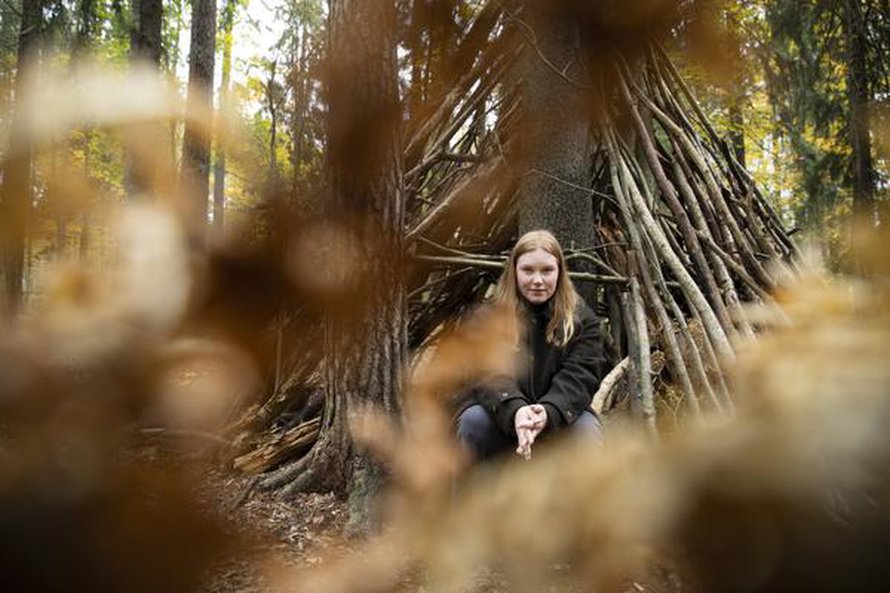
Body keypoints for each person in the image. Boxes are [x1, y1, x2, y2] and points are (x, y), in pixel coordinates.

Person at [456, 229, 604, 460]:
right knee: (473, 422)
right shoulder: (487, 318)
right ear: (514, 271)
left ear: (559, 272)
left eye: (547, 270)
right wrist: (515, 410)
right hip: (501, 416)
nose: (537, 280)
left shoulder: (582, 320)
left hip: (558, 418)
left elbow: (582, 375)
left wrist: (549, 411)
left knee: (587, 431)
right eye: (527, 270)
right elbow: (486, 373)